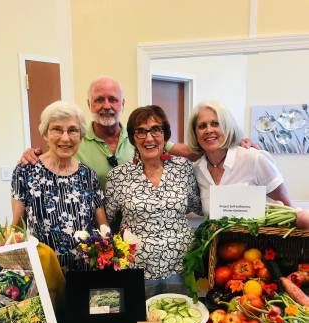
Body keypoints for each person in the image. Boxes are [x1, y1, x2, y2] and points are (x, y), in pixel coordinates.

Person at [20, 76, 197, 190]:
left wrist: (216, 145)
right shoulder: (75, 141)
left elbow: (188, 152)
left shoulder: (141, 137)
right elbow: (50, 157)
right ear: (89, 104)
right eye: (99, 100)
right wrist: (31, 154)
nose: (106, 106)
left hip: (136, 228)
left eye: (113, 99)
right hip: (93, 232)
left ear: (122, 104)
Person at [105, 105, 202, 297]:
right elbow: (108, 220)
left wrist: (239, 144)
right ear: (133, 138)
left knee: (181, 322)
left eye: (156, 130)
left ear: (165, 135)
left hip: (180, 267)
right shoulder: (118, 176)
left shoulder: (183, 168)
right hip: (136, 269)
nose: (149, 138)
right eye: (140, 131)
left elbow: (196, 206)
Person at [11, 101, 108, 272]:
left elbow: (103, 227)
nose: (65, 138)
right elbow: (18, 226)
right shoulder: (25, 171)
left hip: (85, 274)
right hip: (45, 271)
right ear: (45, 134)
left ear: (81, 135)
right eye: (57, 129)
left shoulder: (88, 175)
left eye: (72, 130)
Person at [187, 101, 291, 215]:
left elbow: (287, 208)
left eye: (215, 124)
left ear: (227, 127)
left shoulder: (254, 159)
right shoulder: (197, 170)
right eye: (202, 126)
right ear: (195, 134)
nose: (208, 130)